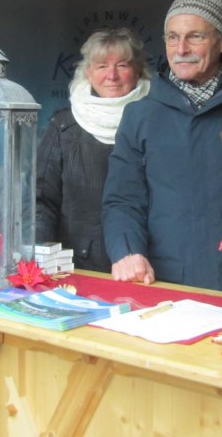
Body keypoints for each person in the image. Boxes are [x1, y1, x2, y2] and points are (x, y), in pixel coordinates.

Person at [102, 0, 222, 294]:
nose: (181, 49)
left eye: (195, 37)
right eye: (172, 38)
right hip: (163, 281)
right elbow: (122, 200)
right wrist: (126, 251)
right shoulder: (141, 115)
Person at [36, 28, 151, 272]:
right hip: (80, 267)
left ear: (138, 70)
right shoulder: (63, 126)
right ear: (88, 72)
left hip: (146, 266)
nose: (112, 75)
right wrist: (41, 257)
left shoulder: (158, 121)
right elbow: (41, 200)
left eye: (122, 65)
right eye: (101, 66)